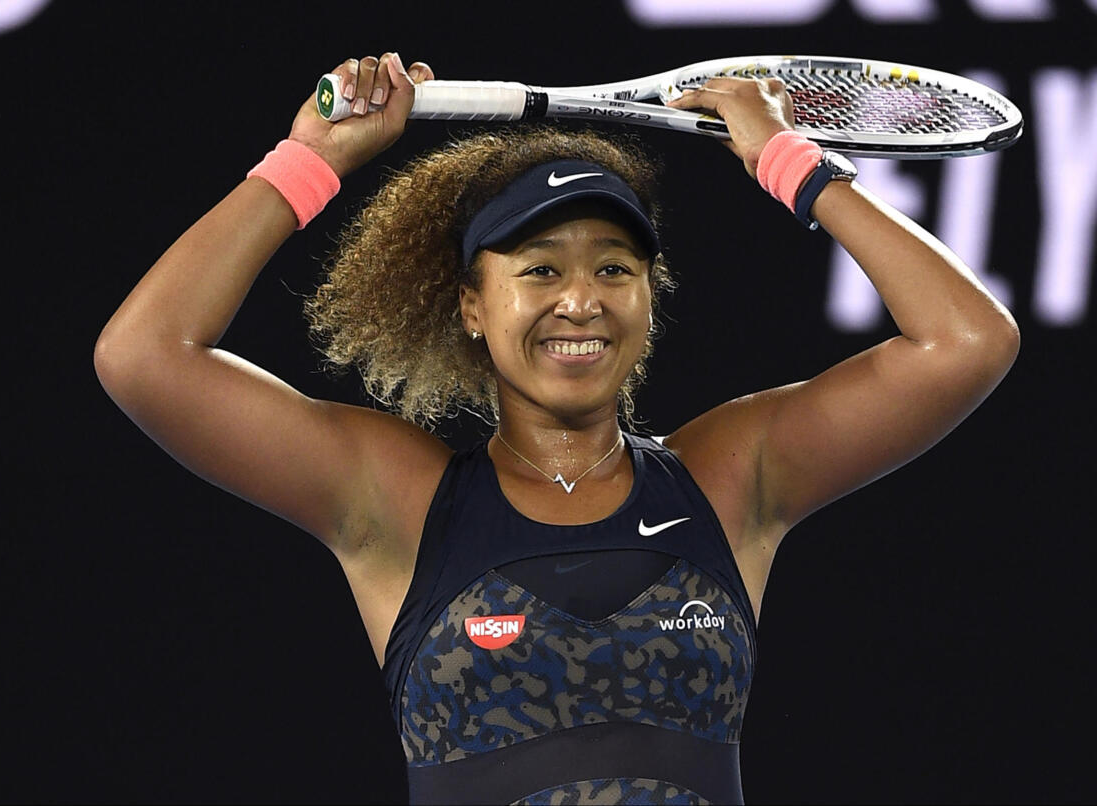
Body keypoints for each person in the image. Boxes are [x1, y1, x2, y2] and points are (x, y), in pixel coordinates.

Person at [95, 52, 1019, 805]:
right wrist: (308, 164)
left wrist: (790, 163)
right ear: (470, 305)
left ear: (649, 304)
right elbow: (145, 356)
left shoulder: (734, 477)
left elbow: (967, 339)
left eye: (616, 269)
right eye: (539, 270)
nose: (581, 299)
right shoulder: (400, 502)